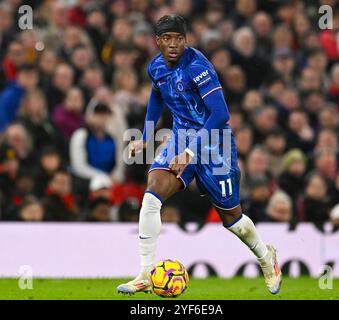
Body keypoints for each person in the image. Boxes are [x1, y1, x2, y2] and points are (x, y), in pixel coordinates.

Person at [117, 15, 281, 295]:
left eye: (178, 39)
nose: (172, 44)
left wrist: (191, 153)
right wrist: (145, 137)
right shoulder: (155, 67)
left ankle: (267, 260)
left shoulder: (198, 67)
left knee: (233, 220)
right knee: (152, 194)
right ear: (157, 41)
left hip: (214, 143)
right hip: (180, 137)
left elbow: (221, 114)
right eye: (166, 39)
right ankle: (145, 273)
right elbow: (156, 98)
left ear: (185, 40)